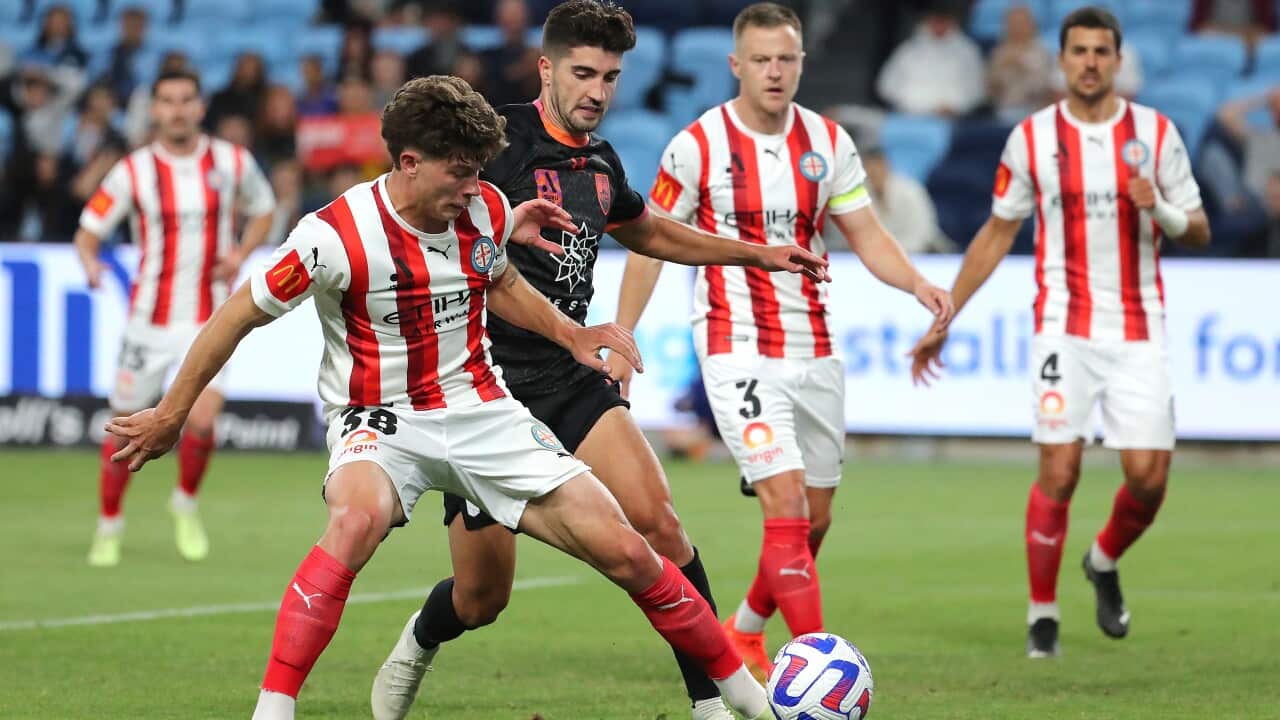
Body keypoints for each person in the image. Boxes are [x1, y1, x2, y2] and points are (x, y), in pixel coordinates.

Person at [105, 75, 772, 720]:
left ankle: (744, 698)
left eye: (479, 170)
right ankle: (274, 708)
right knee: (355, 522)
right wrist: (172, 413)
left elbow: (500, 277)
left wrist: (572, 335)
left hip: (480, 406)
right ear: (409, 162)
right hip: (380, 418)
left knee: (626, 550)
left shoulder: (479, 206)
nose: (475, 186)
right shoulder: (331, 237)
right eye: (460, 171)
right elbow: (235, 316)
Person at [369, 4, 829, 720]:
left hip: (568, 374)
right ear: (547, 68)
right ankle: (416, 646)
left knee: (661, 524)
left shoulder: (600, 160)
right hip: (483, 384)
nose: (598, 91)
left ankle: (711, 703)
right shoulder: (497, 143)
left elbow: (649, 232)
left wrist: (757, 252)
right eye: (584, 73)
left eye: (611, 76)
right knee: (482, 598)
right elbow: (435, 230)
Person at [618, 2, 953, 682]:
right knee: (788, 504)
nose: (775, 72)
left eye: (787, 59)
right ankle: (819, 671)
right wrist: (622, 332)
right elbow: (649, 243)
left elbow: (867, 236)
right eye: (762, 60)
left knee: (815, 520)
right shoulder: (698, 144)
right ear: (736, 65)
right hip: (735, 343)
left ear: (801, 64)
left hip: (814, 346)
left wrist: (918, 284)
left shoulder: (829, 143)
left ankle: (743, 630)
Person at [907, 7, 1211, 658]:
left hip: (1138, 326)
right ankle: (1042, 614)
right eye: (1079, 51)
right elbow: (997, 231)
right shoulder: (1033, 138)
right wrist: (947, 313)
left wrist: (1157, 207)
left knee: (1149, 478)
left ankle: (1101, 561)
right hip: (1061, 326)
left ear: (1119, 59)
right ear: (1063, 60)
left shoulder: (1157, 134)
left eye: (1103, 51)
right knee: (1060, 469)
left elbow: (1200, 227)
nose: (1091, 62)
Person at [74, 67, 276, 567]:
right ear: (155, 109)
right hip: (149, 319)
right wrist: (90, 263)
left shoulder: (231, 162)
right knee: (123, 428)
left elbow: (265, 209)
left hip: (211, 318)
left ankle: (184, 502)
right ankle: (109, 524)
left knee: (202, 420)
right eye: (167, 101)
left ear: (200, 106)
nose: (178, 109)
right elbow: (88, 230)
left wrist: (242, 252)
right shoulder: (134, 171)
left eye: (187, 99)